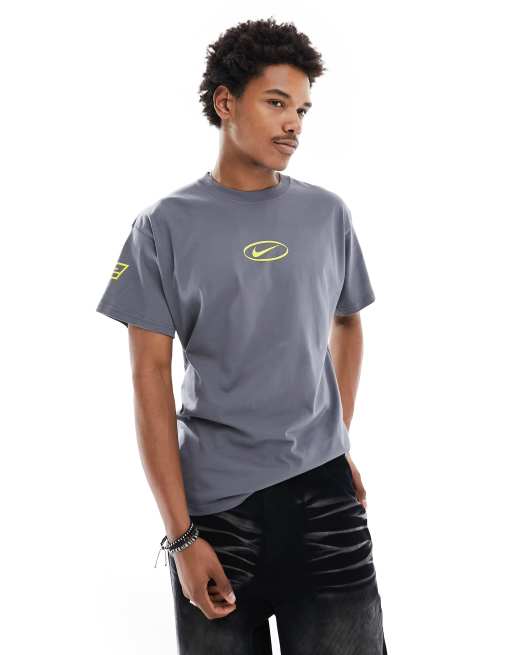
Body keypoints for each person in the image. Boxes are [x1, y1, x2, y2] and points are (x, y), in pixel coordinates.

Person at [96, 16, 387, 655]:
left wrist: (334, 436)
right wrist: (181, 537)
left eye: (302, 110)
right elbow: (149, 377)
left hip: (325, 498)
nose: (293, 124)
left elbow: (348, 321)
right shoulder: (162, 226)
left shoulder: (327, 213)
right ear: (225, 102)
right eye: (277, 103)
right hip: (217, 514)